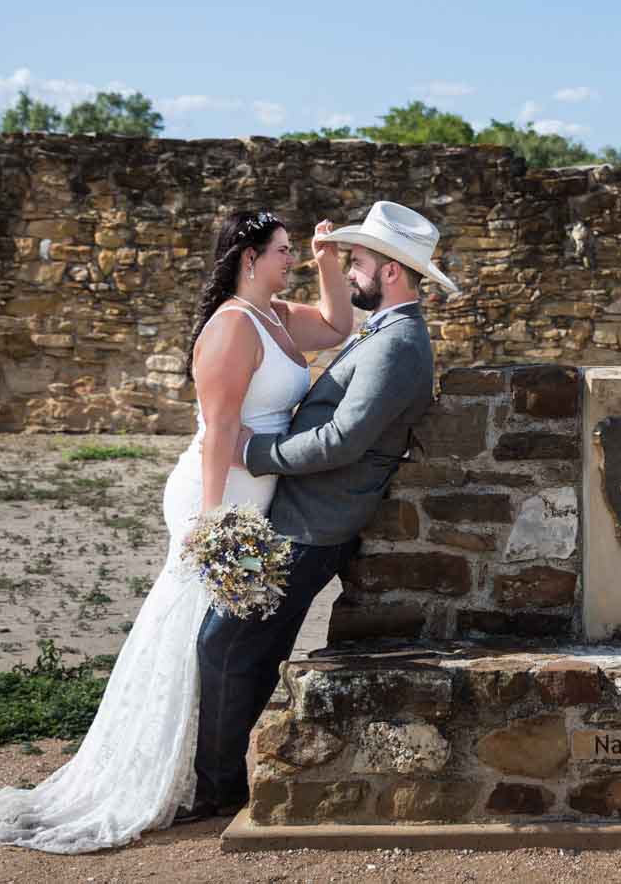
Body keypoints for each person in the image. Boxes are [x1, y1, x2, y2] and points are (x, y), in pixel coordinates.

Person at [0, 209, 352, 854]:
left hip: (256, 491)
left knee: (220, 630)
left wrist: (326, 259)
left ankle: (206, 765)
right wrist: (211, 524)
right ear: (248, 258)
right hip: (220, 493)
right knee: (192, 623)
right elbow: (219, 430)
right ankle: (175, 771)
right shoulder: (231, 327)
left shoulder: (279, 319)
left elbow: (339, 325)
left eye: (293, 252)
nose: (291, 261)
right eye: (284, 251)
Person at [184, 200, 450, 823]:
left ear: (390, 272)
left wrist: (254, 450)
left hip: (314, 524)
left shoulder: (399, 343)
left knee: (224, 644)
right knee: (247, 646)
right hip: (303, 515)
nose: (349, 271)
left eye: (356, 262)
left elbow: (343, 441)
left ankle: (218, 787)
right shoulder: (384, 331)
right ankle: (222, 781)